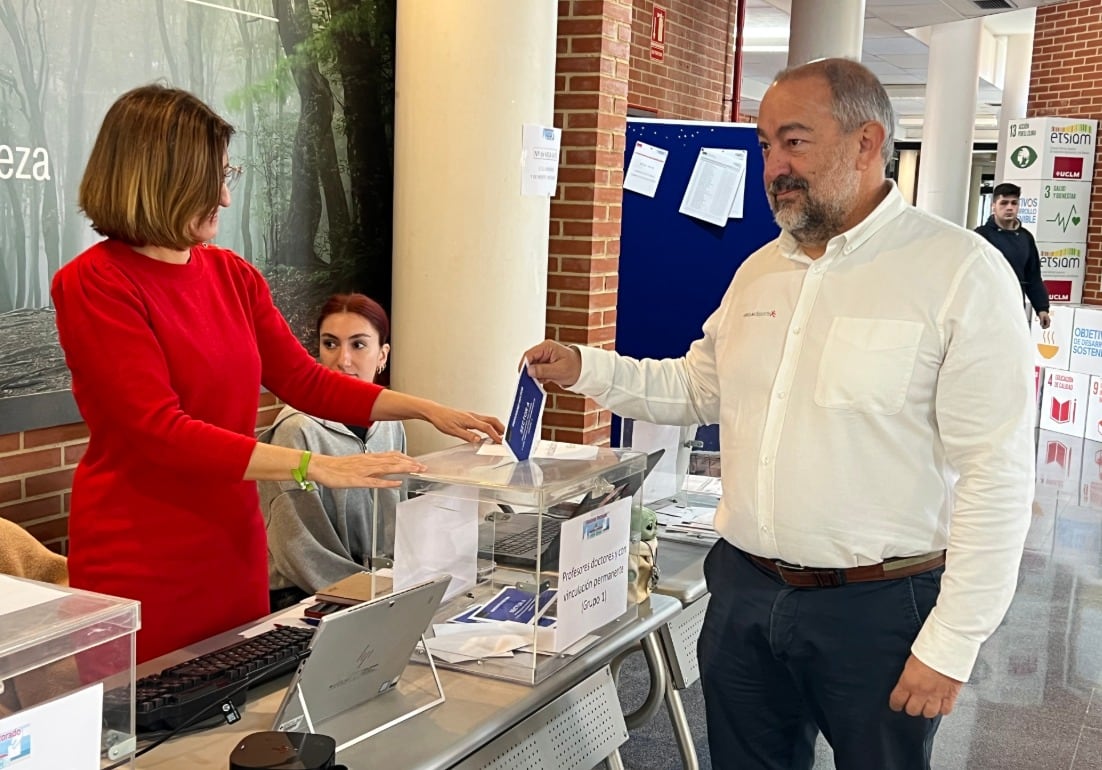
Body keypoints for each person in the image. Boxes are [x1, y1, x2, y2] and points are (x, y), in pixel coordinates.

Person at [522, 58, 1034, 770]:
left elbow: (997, 472)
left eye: (795, 141)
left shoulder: (959, 272)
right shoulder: (759, 270)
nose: (774, 165)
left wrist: (954, 639)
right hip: (743, 595)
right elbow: (698, 388)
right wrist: (586, 368)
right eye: (765, 145)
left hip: (880, 610)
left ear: (866, 142)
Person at [51, 85, 504, 664]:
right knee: (153, 733)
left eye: (225, 175)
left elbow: (304, 380)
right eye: (208, 179)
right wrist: (318, 466)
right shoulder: (95, 283)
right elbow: (157, 429)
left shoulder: (233, 276)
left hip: (231, 548)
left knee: (234, 715)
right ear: (159, 180)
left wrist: (425, 408)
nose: (224, 196)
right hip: (143, 557)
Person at [260, 293, 406, 609]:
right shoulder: (296, 431)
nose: (343, 360)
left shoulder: (390, 425)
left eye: (358, 345)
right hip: (306, 601)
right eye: (330, 344)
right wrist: (376, 596)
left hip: (378, 592)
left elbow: (398, 518)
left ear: (383, 355)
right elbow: (300, 548)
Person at [975, 182, 1051, 328]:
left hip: (1015, 306)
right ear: (993, 206)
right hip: (985, 307)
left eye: (1014, 203)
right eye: (1003, 203)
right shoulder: (981, 236)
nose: (1009, 207)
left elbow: (1033, 276)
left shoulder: (1026, 238)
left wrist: (1042, 308)